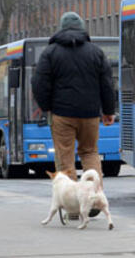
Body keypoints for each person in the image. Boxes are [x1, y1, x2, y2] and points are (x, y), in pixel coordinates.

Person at [32, 12, 115, 185]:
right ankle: (93, 196)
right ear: (82, 29)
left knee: (65, 156)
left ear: (61, 28)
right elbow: (107, 84)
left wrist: (46, 106)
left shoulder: (50, 52)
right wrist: (108, 111)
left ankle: (72, 207)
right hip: (90, 114)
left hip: (62, 114)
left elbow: (39, 82)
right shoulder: (96, 52)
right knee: (90, 152)